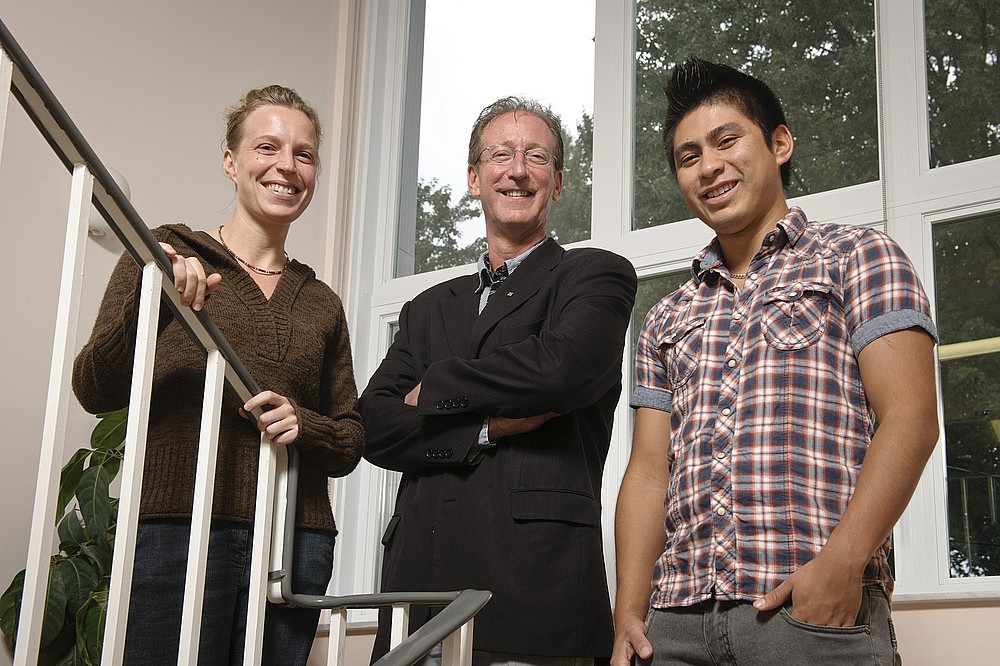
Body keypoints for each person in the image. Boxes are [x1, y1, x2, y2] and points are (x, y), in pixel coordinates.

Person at [612, 58, 939, 665]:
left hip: (808, 615)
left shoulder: (859, 256)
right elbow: (649, 473)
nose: (709, 166)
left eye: (726, 139)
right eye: (688, 157)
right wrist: (630, 611)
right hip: (675, 628)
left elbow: (911, 418)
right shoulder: (664, 316)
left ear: (779, 143)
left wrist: (843, 564)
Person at [72, 85, 364, 664]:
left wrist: (304, 424)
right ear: (231, 162)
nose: (287, 166)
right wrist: (154, 304)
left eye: (304, 154)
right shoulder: (164, 254)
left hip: (294, 541)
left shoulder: (322, 303)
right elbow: (92, 386)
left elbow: (351, 436)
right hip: (177, 526)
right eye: (267, 147)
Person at [360, 96, 637, 664]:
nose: (517, 170)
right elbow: (375, 425)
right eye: (500, 155)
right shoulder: (426, 309)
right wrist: (486, 425)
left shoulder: (594, 275)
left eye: (537, 157)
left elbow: (560, 373)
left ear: (557, 183)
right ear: (473, 177)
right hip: (418, 597)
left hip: (535, 595)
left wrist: (434, 387)